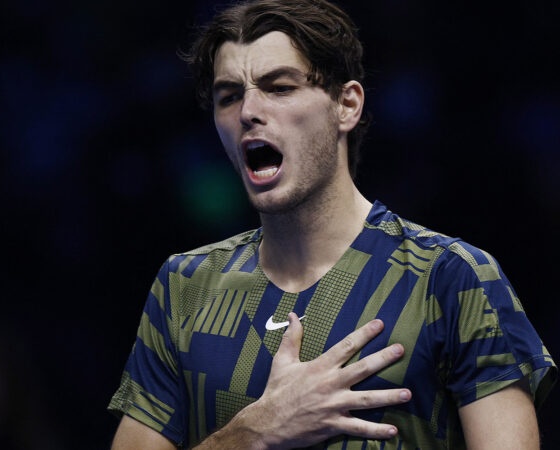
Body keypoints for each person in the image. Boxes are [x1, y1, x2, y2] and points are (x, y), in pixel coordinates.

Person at [107, 0, 557, 448]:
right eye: (229, 96)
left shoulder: (451, 278)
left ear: (346, 105)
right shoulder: (184, 287)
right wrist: (253, 433)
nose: (248, 112)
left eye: (280, 87)